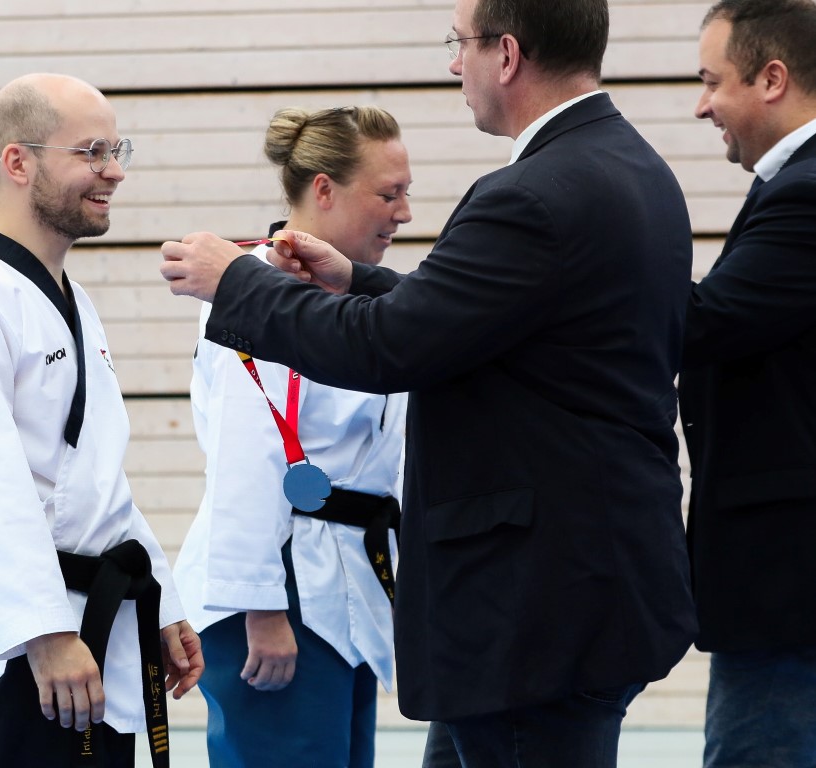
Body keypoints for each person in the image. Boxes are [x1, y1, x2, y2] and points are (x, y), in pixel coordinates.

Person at [159, 0, 700, 765]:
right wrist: (359, 281)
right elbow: (486, 324)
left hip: (535, 602)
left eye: (460, 42)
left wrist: (237, 283)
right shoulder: (635, 170)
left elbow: (392, 346)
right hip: (577, 581)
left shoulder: (532, 194)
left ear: (506, 55)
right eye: (388, 194)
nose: (453, 63)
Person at [0, 73, 203, 768]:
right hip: (25, 657)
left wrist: (162, 602)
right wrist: (44, 633)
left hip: (95, 634)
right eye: (92, 152)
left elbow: (96, 479)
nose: (114, 171)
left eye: (117, 150)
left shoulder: (67, 297)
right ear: (18, 162)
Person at [173, 105, 412, 767]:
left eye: (406, 193)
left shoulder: (359, 293)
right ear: (325, 189)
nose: (404, 213)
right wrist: (262, 608)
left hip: (343, 580)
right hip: (279, 593)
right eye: (388, 194)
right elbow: (247, 452)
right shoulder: (256, 288)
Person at [680, 1, 816, 765]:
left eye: (711, 81)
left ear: (772, 79)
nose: (701, 106)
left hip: (787, 592)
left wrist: (595, 248)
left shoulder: (806, 191)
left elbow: (705, 324)